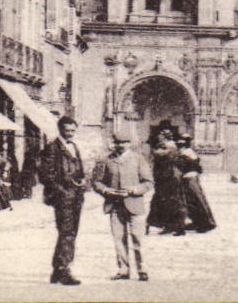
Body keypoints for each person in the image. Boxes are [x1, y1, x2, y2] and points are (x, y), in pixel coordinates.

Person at [90, 129, 151, 282]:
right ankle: (123, 269)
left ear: (130, 143)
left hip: (134, 204)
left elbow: (148, 182)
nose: (121, 145)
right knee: (118, 238)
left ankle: (142, 269)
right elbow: (96, 181)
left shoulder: (138, 159)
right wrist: (107, 190)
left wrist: (134, 190)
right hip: (115, 205)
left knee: (137, 237)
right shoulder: (106, 160)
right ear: (114, 143)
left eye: (125, 142)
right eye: (118, 142)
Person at [38, 115, 88, 285]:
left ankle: (57, 270)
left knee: (70, 232)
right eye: (67, 130)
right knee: (67, 232)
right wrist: (62, 192)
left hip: (76, 195)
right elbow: (46, 175)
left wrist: (82, 181)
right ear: (60, 129)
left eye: (73, 130)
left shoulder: (74, 146)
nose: (71, 133)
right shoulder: (52, 148)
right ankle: (64, 270)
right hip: (64, 197)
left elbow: (79, 169)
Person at [146, 131, 186, 236]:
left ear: (165, 137)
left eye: (160, 136)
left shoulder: (170, 147)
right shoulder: (165, 147)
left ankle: (176, 227)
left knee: (171, 202)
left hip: (169, 178)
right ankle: (170, 226)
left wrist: (154, 151)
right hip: (164, 178)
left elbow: (160, 155)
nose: (159, 138)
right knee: (165, 202)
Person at [175, 135, 216, 233]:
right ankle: (203, 222)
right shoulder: (191, 153)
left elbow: (184, 167)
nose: (178, 147)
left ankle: (204, 224)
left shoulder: (185, 154)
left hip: (189, 179)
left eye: (180, 145)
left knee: (194, 201)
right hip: (193, 178)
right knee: (198, 200)